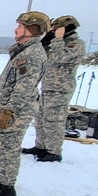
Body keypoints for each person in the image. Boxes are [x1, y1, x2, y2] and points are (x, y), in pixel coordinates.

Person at [0, 11, 49, 196]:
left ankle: (7, 187)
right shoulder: (23, 50)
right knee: (0, 145)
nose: (16, 30)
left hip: (16, 110)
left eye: (20, 26)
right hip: (8, 108)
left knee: (8, 147)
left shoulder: (31, 54)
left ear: (31, 29)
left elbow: (23, 89)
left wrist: (8, 111)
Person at [23, 15, 85, 162]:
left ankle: (54, 151)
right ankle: (41, 146)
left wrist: (57, 40)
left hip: (61, 89)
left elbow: (59, 58)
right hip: (47, 86)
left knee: (54, 121)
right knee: (41, 118)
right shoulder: (57, 43)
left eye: (56, 29)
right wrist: (46, 40)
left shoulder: (75, 44)